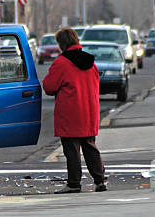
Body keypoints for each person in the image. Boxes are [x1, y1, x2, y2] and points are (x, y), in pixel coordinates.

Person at [42, 27, 107, 194]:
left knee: (72, 150)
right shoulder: (91, 63)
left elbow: (49, 87)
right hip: (89, 111)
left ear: (61, 44)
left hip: (70, 112)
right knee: (90, 147)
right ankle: (100, 181)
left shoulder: (61, 63)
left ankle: (74, 183)